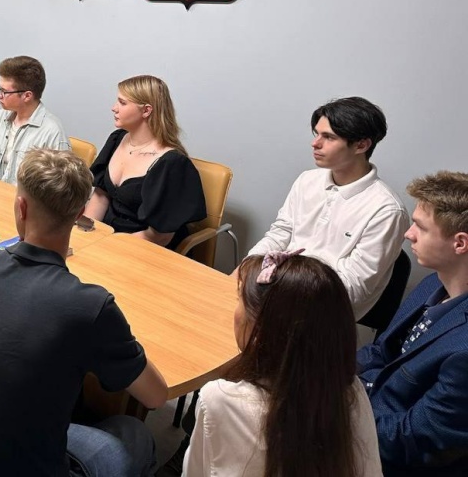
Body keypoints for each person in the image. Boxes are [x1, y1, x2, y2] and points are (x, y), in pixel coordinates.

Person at [0, 148, 166, 477]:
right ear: (80, 214)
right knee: (134, 433)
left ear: (20, 207)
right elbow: (156, 397)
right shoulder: (90, 307)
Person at [184, 251, 382, 477]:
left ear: (259, 331)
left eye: (239, 300)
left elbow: (194, 472)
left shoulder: (221, 399)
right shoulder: (352, 391)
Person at [246, 96, 409, 319]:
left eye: (329, 137)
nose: (315, 144)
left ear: (361, 145)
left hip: (325, 313)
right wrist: (249, 266)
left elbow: (352, 289)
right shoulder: (307, 180)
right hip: (277, 289)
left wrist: (278, 282)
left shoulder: (387, 210)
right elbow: (281, 233)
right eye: (317, 134)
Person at [357, 171, 468, 476]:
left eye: (421, 226)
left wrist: (335, 415)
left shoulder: (464, 351)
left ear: (460, 243)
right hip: (368, 411)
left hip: (390, 455)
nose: (409, 234)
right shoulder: (433, 283)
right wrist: (319, 370)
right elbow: (382, 352)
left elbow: (416, 440)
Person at [84, 75, 205, 250]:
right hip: (107, 240)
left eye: (122, 103)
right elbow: (101, 196)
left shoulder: (172, 164)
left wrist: (110, 247)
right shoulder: (117, 139)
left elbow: (159, 236)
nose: (114, 108)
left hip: (144, 248)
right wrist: (85, 236)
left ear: (146, 110)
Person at [0, 56, 69, 184]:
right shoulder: (1, 116)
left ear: (27, 96)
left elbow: (58, 185)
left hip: (26, 196)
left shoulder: (52, 132)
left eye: (4, 91)